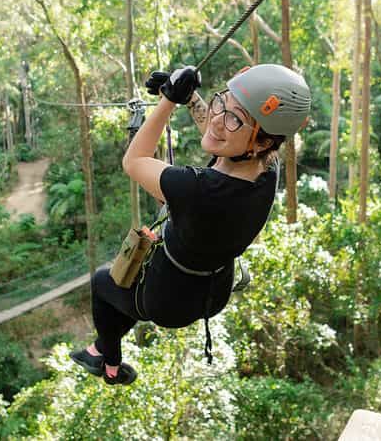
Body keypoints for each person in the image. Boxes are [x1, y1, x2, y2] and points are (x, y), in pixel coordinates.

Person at [70, 64, 311, 385]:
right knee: (121, 300)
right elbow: (223, 138)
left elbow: (134, 161)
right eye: (221, 102)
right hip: (213, 289)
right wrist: (190, 98)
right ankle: (101, 351)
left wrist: (168, 101)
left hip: (168, 301)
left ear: (262, 142)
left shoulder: (198, 190)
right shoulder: (268, 167)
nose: (215, 120)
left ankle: (110, 363)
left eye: (234, 118)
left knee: (103, 283)